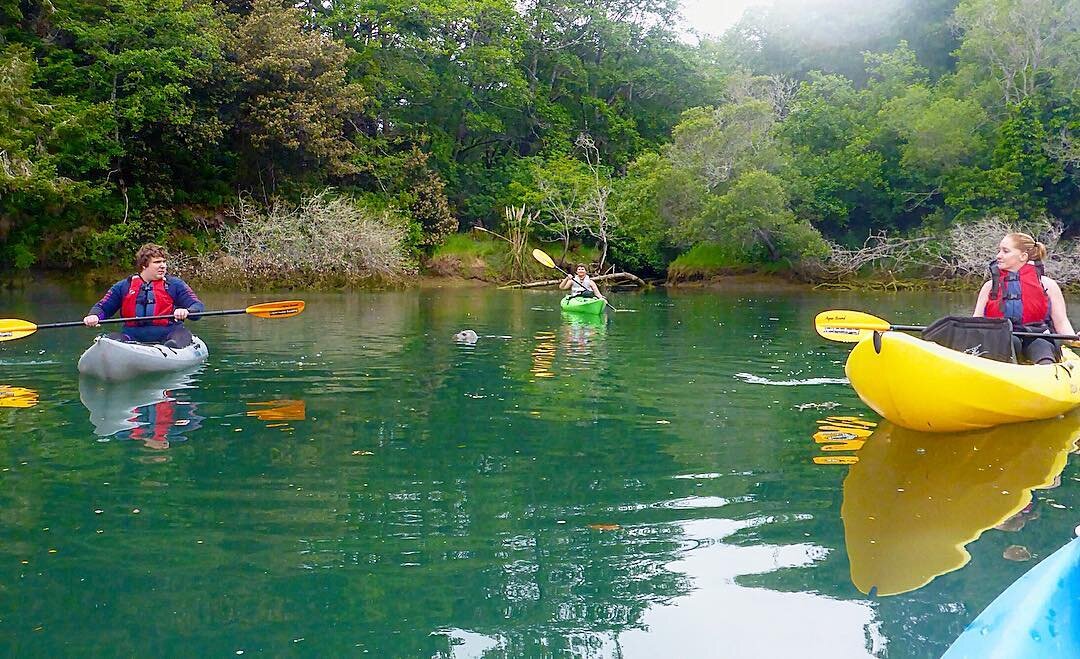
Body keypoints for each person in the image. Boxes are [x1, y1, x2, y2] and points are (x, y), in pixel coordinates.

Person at [973, 232, 1076, 364]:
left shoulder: (1047, 285)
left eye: (1005, 251)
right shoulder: (989, 287)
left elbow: (1061, 322)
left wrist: (1074, 339)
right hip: (1001, 340)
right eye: (999, 251)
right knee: (1010, 342)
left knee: (1041, 345)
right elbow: (975, 323)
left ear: (1023, 256)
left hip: (1037, 336)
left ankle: (1046, 369)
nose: (998, 256)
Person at [83, 243, 205, 347]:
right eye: (157, 262)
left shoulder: (175, 284)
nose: (163, 265)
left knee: (182, 336)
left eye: (164, 261)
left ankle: (170, 352)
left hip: (170, 334)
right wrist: (94, 316)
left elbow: (197, 306)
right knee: (107, 341)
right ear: (144, 265)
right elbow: (103, 307)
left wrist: (187, 311)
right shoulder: (123, 286)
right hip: (132, 335)